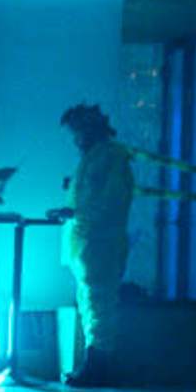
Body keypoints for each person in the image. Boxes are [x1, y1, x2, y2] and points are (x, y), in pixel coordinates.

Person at [57, 101, 136, 368]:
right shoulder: (92, 159)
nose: (76, 140)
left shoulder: (111, 157)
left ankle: (99, 364)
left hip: (101, 244)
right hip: (87, 245)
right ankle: (94, 363)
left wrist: (76, 214)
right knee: (90, 305)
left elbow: (110, 202)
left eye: (77, 132)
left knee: (99, 307)